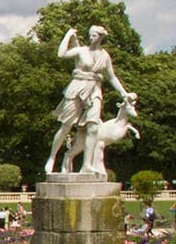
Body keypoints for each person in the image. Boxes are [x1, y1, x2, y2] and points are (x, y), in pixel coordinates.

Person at [47, 25, 134, 174]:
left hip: (94, 90)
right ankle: (52, 157)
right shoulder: (82, 51)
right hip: (76, 88)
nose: (90, 38)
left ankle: (86, 165)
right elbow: (61, 54)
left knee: (93, 128)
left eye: (93, 35)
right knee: (66, 126)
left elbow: (112, 77)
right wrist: (68, 35)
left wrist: (123, 93)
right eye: (89, 35)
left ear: (100, 37)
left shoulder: (104, 56)